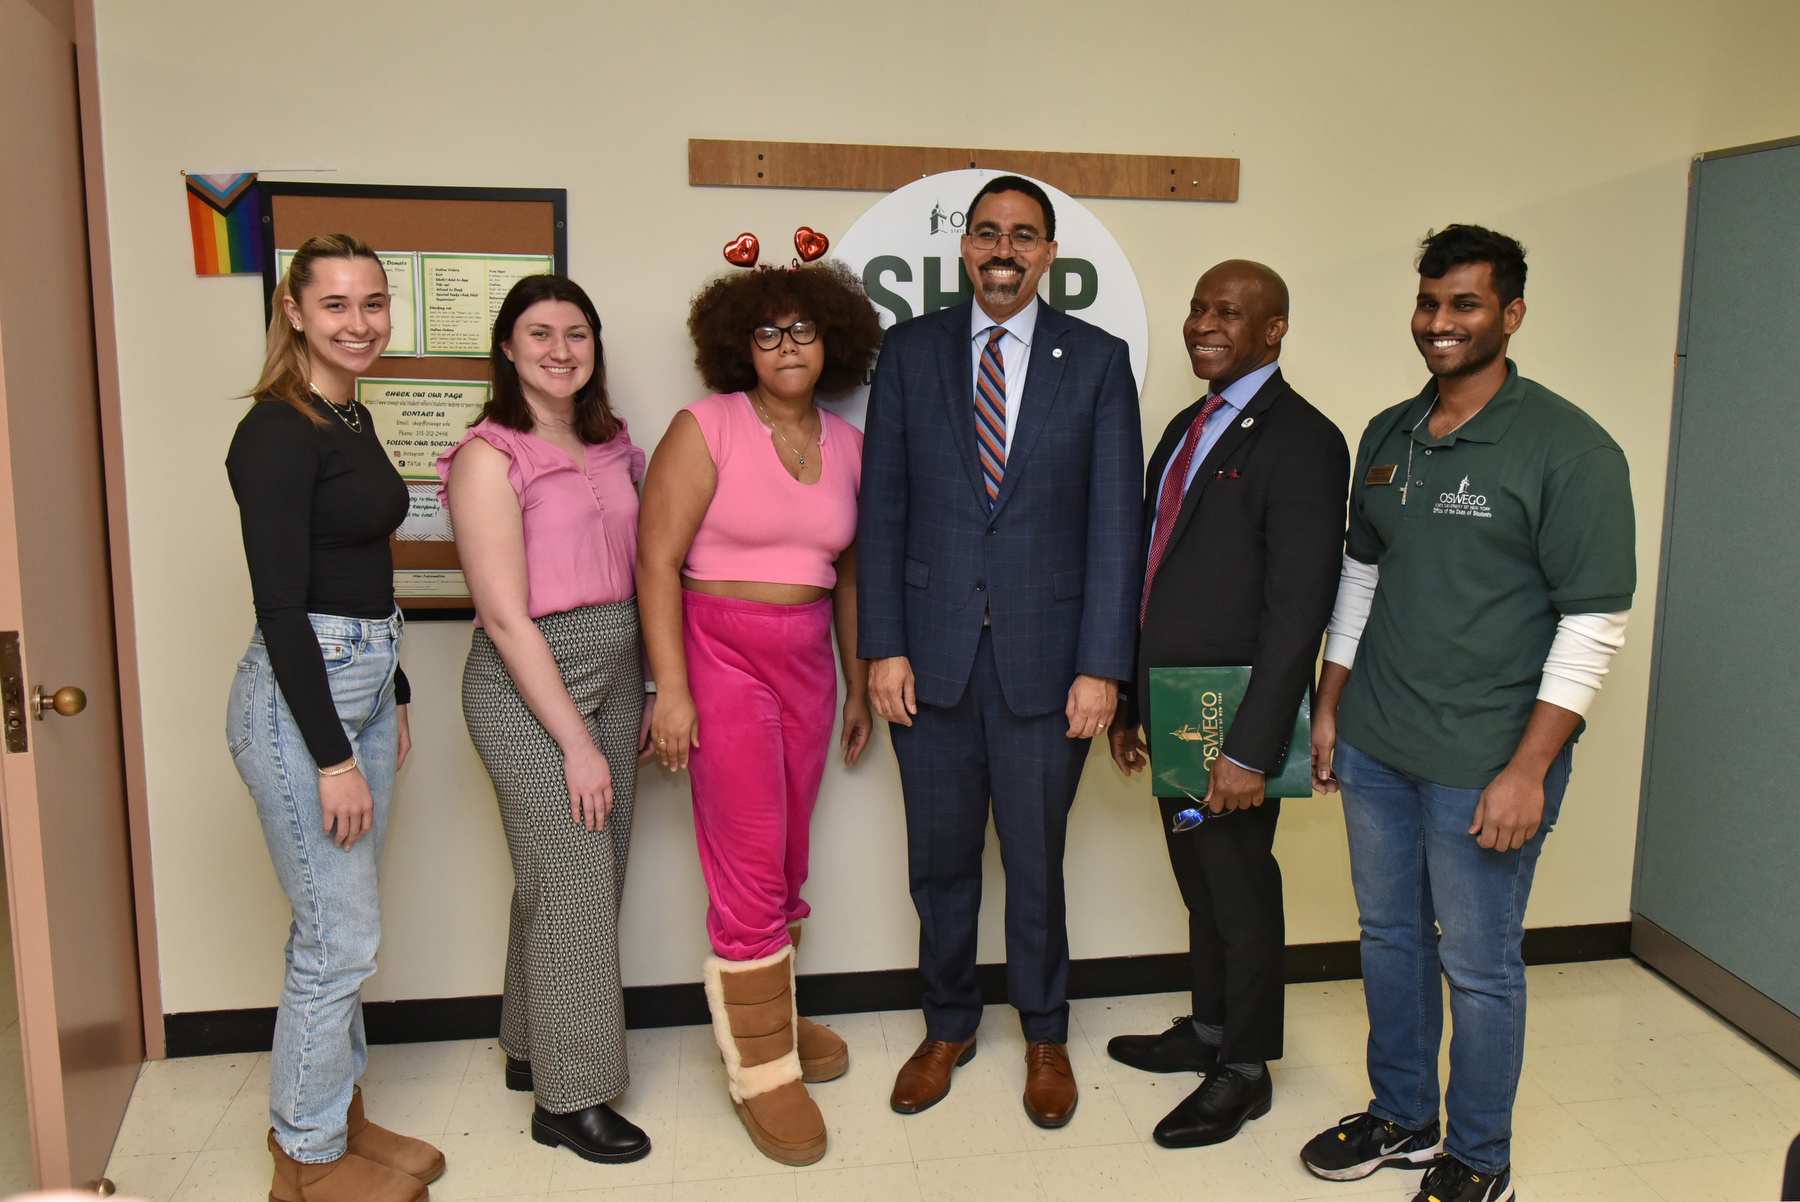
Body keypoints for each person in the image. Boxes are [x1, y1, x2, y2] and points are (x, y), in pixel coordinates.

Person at [1300, 226, 1635, 1202]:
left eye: (1466, 305)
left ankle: (1480, 1159)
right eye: (1430, 303)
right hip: (1378, 743)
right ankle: (1404, 1115)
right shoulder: (1390, 432)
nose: (1440, 324)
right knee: (1388, 935)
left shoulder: (1569, 449)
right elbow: (1362, 577)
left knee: (1479, 964)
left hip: (1485, 757)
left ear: (1511, 314)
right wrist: (1332, 706)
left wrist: (1529, 767)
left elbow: (1594, 621)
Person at [858, 175, 1144, 1129]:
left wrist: (1104, 666)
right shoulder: (910, 352)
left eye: (1024, 236)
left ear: (1049, 255)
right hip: (927, 662)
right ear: (964, 247)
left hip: (1048, 664)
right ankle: (947, 1025)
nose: (1003, 251)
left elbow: (1116, 526)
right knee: (938, 863)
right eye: (987, 234)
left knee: (1037, 859)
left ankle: (1046, 1032)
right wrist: (882, 647)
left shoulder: (1096, 363)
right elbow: (883, 507)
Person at [637, 257, 881, 1165]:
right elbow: (654, 561)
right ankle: (762, 1072)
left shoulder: (848, 446)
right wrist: (671, 688)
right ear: (740, 345)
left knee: (783, 856)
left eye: (804, 330)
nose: (788, 346)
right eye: (768, 332)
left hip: (810, 653)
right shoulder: (707, 426)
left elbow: (852, 571)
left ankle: (769, 1014)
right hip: (718, 645)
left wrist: (858, 683)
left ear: (832, 341)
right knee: (744, 860)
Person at [1106, 261, 1349, 1147]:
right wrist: (1133, 698)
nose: (1205, 323)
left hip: (1234, 718)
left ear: (1275, 329)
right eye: (1200, 308)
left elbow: (1298, 610)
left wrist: (1250, 749)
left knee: (1241, 889)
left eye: (1230, 312)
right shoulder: (1186, 424)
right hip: (1174, 706)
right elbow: (1154, 569)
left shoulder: (1306, 440)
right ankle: (1207, 1029)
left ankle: (1244, 1067)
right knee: (1200, 881)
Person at [225, 234, 444, 1202]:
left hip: (359, 679)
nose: (360, 324)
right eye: (337, 306)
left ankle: (339, 1113)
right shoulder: (276, 430)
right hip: (300, 697)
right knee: (337, 937)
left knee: (336, 923)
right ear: (294, 310)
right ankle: (305, 1158)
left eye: (373, 304)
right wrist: (330, 754)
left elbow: (357, 567)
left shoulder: (347, 416)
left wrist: (389, 692)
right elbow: (282, 609)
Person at [438, 274, 652, 1164]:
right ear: (507, 347)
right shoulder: (491, 456)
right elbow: (505, 614)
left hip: (619, 663)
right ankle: (571, 1099)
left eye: (576, 333)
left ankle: (532, 1048)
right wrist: (574, 741)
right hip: (531, 680)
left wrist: (643, 689)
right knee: (572, 886)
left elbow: (647, 570)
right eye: (539, 333)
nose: (560, 350)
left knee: (580, 879)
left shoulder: (613, 444)